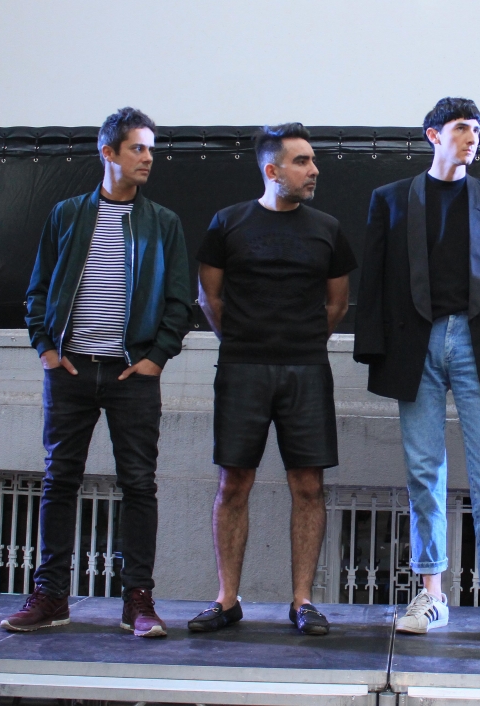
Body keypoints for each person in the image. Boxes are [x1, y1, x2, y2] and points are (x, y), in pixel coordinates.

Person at [353, 97, 480, 647]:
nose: (472, 137)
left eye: (477, 129)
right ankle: (432, 595)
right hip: (415, 342)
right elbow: (375, 278)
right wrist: (373, 347)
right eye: (462, 128)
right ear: (433, 135)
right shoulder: (391, 199)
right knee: (424, 471)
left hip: (479, 342)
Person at [4, 107, 192, 637]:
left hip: (133, 376)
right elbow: (38, 289)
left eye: (151, 149)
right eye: (138, 148)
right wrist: (45, 348)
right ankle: (50, 596)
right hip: (69, 371)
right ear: (108, 152)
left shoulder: (163, 222)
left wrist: (156, 357)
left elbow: (180, 302)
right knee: (59, 481)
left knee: (139, 485)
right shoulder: (67, 214)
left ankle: (138, 601)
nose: (148, 158)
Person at [190, 123, 356, 636]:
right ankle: (226, 600)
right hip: (241, 369)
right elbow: (208, 298)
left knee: (308, 485)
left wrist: (298, 342)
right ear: (272, 169)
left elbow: (337, 304)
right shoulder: (228, 223)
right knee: (233, 483)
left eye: (313, 160)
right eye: (302, 161)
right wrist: (245, 341)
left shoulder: (327, 228)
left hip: (307, 370)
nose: (314, 170)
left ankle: (302, 601)